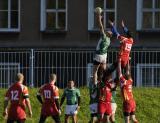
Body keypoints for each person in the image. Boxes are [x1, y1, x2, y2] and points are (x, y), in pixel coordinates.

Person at [93, 9, 113, 85]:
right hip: (104, 55)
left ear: (108, 34)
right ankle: (107, 80)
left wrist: (99, 17)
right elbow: (104, 29)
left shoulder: (104, 37)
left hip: (99, 55)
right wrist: (112, 25)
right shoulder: (109, 40)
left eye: (109, 31)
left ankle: (95, 84)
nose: (108, 30)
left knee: (95, 70)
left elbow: (101, 26)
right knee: (104, 70)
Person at [118, 59, 138, 123]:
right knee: (133, 119)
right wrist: (128, 61)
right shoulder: (130, 81)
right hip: (132, 101)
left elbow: (119, 71)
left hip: (127, 102)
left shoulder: (123, 81)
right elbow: (128, 70)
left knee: (127, 121)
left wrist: (119, 62)